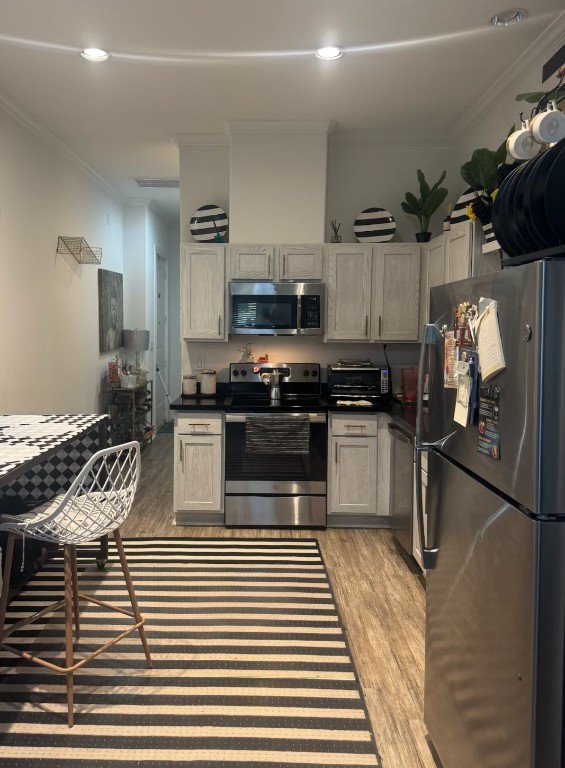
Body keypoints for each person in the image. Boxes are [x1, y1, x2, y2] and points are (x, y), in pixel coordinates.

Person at [105, 286, 121, 351]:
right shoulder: (109, 334)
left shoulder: (120, 332)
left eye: (115, 306)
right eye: (112, 307)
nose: (114, 311)